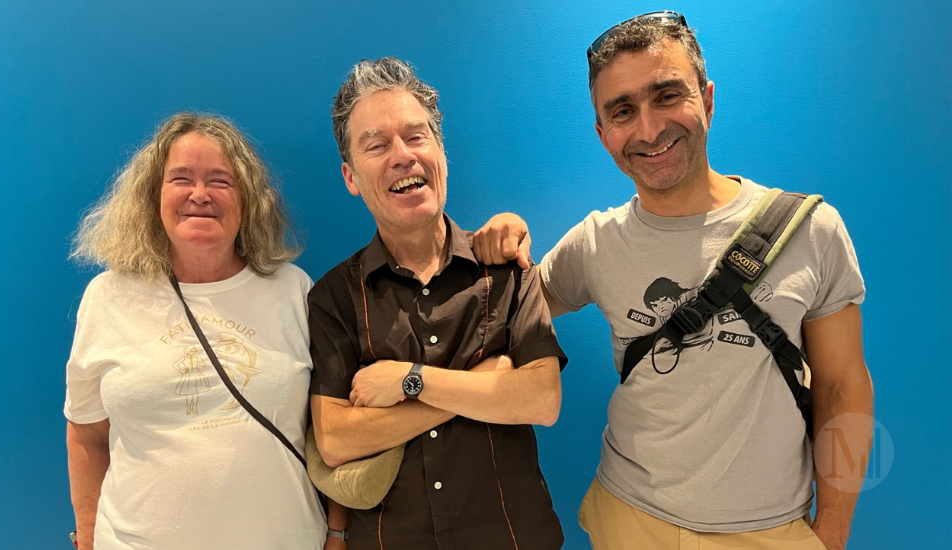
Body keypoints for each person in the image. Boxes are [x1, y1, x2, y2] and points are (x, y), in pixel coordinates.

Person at [476, 12, 873, 550]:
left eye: (667, 95)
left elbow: (842, 387)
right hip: (627, 519)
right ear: (602, 134)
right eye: (622, 111)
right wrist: (504, 240)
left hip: (770, 533)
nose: (648, 129)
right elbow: (497, 315)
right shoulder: (596, 242)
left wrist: (832, 533)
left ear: (706, 98)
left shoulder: (811, 231)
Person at [307, 57, 567, 550]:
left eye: (416, 136)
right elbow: (337, 439)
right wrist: (482, 386)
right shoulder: (333, 298)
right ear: (351, 176)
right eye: (377, 145)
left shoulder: (509, 267)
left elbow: (541, 399)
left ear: (441, 152)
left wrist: (412, 382)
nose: (402, 156)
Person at [65, 113, 346, 549]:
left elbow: (333, 426)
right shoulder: (108, 297)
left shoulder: (294, 291)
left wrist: (337, 532)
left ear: (248, 199)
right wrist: (86, 536)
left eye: (220, 181)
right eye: (181, 178)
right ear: (151, 196)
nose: (199, 194)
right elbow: (85, 431)